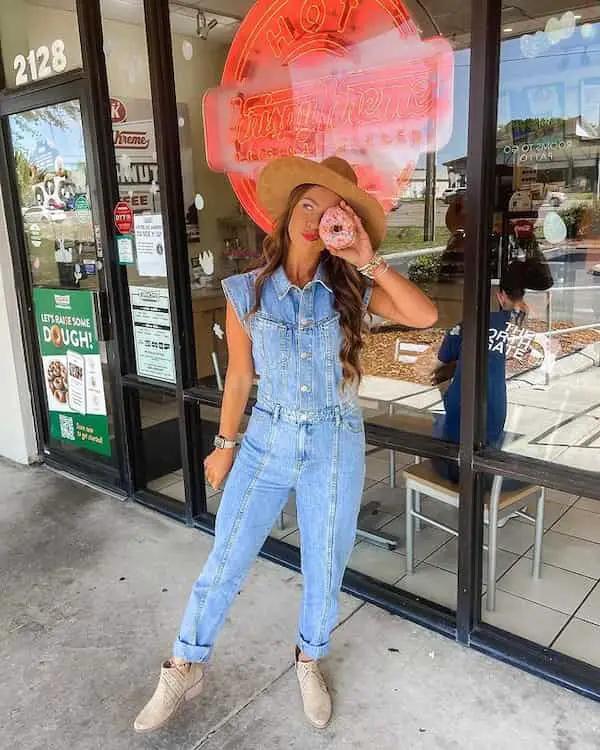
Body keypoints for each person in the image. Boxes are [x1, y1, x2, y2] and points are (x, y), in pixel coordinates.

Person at [134, 156, 437, 734]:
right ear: (287, 211)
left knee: (326, 562)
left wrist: (364, 258)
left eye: (331, 213)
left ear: (340, 227)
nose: (315, 218)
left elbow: (423, 316)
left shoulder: (349, 291)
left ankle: (308, 658)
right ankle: (185, 663)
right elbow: (241, 377)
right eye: (308, 204)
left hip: (334, 440)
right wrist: (225, 443)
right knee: (226, 556)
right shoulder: (246, 290)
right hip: (266, 439)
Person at [429, 258, 550, 484]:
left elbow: (442, 359)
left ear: (500, 296)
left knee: (444, 431)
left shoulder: (470, 324)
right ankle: (490, 497)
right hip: (496, 413)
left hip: (461, 420)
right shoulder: (531, 332)